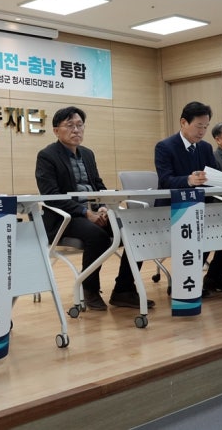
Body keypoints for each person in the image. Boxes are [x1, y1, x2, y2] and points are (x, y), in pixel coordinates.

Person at [35, 106, 154, 311]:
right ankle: (89, 289)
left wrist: (104, 207)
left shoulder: (87, 154)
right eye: (70, 125)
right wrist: (86, 212)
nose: (76, 130)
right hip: (65, 218)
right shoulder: (47, 156)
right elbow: (52, 196)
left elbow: (98, 185)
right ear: (56, 130)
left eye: (79, 125)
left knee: (134, 231)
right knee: (97, 235)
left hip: (93, 212)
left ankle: (124, 290)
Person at [155, 102, 222, 295]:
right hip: (173, 209)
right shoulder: (165, 147)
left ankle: (215, 278)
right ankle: (184, 281)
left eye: (205, 126)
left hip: (200, 207)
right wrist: (189, 180)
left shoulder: (205, 148)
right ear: (183, 122)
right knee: (202, 229)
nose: (202, 131)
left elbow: (213, 176)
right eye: (198, 126)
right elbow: (165, 180)